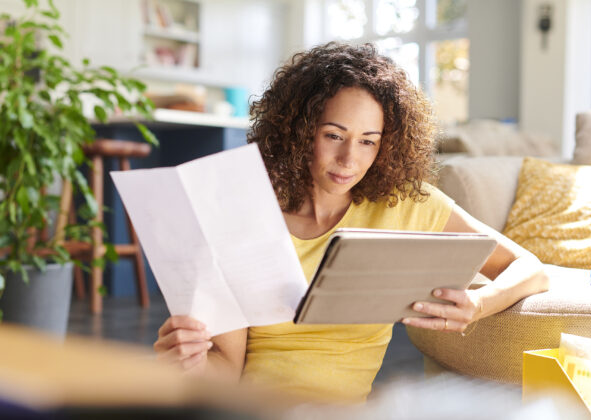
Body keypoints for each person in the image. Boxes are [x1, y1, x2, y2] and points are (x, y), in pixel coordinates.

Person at [153, 42, 548, 403]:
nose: (349, 160)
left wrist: (478, 304)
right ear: (299, 130)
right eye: (333, 135)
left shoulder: (406, 204)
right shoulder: (244, 213)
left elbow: (529, 268)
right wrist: (192, 363)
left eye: (368, 141)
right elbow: (227, 371)